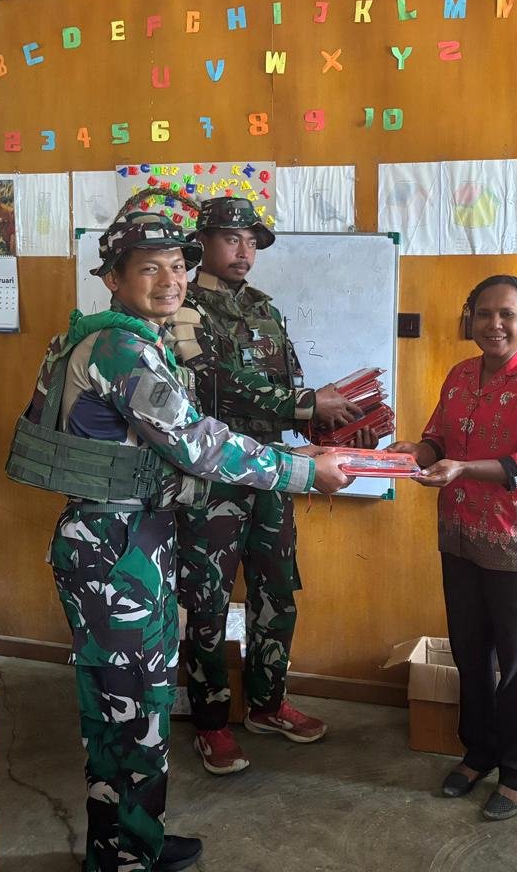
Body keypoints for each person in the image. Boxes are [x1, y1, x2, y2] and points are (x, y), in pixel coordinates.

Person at [10, 204, 352, 872]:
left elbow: (177, 446)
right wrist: (303, 472)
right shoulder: (121, 349)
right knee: (130, 708)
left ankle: (131, 841)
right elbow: (199, 445)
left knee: (133, 704)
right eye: (150, 269)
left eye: (177, 266)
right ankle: (126, 857)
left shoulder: (131, 340)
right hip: (116, 548)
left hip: (129, 538)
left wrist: (293, 457)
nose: (170, 280)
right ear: (113, 278)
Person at [166, 196, 368, 775]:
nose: (245, 251)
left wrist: (328, 422)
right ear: (202, 242)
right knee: (206, 601)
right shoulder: (182, 306)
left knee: (276, 590)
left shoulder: (265, 310)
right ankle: (210, 722)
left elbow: (288, 384)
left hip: (273, 472)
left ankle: (267, 704)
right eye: (233, 239)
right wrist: (305, 403)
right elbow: (212, 386)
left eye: (252, 242)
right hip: (213, 477)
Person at [385, 274, 517, 822]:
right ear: (470, 318)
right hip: (460, 533)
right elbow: (438, 439)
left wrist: (461, 468)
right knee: (469, 652)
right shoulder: (460, 374)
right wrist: (413, 452)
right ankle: (478, 753)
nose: (495, 324)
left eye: (507, 314)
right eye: (484, 313)